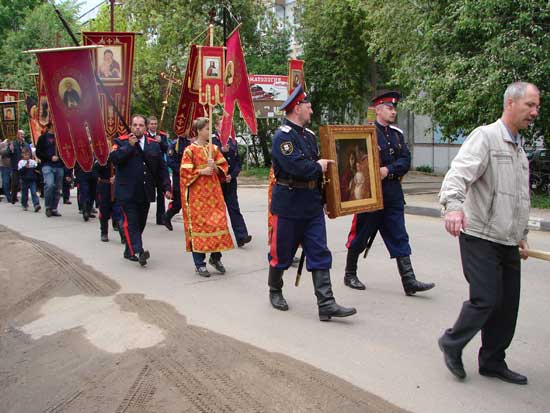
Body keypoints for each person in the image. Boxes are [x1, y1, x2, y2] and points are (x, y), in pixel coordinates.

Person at [437, 82, 540, 385]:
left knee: (507, 305)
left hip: (507, 238)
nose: (534, 112)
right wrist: (454, 206)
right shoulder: (486, 137)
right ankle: (451, 342)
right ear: (511, 103)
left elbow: (519, 197)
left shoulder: (518, 147)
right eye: (530, 105)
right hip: (480, 234)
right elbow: (459, 173)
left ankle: (493, 361)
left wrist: (521, 234)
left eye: (537, 106)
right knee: (486, 298)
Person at [268, 84, 356, 322]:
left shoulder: (309, 136)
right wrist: (318, 166)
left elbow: (321, 175)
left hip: (311, 204)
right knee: (281, 254)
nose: (312, 110)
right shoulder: (282, 137)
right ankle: (275, 290)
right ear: (297, 108)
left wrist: (328, 199)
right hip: (288, 204)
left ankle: (326, 304)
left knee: (319, 251)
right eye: (308, 106)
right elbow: (296, 167)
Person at [342, 91, 435, 294]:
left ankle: (409, 281)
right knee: (361, 234)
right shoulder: (365, 133)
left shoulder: (397, 134)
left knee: (399, 235)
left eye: (394, 108)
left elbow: (405, 161)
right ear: (378, 109)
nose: (393, 111)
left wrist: (388, 170)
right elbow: (356, 163)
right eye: (389, 108)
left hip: (392, 191)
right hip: (371, 193)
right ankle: (350, 274)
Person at [110, 114, 171, 266]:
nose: (138, 127)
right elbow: (114, 159)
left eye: (141, 125)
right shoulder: (121, 141)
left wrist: (167, 187)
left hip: (145, 191)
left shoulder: (153, 144)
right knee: (131, 222)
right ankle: (138, 250)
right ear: (130, 126)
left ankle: (129, 249)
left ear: (145, 127)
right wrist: (129, 147)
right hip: (126, 192)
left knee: (141, 223)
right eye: (135, 125)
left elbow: (161, 168)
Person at [180, 117, 234, 276]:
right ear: (198, 131)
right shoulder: (189, 150)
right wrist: (201, 171)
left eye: (210, 129)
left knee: (218, 223)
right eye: (206, 129)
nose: (208, 132)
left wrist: (215, 168)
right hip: (197, 196)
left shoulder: (214, 149)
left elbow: (224, 167)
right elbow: (184, 173)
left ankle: (216, 258)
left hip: (214, 194)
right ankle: (199, 263)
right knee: (200, 227)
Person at [211, 115, 252, 247]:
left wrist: (232, 175)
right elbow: (209, 159)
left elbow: (238, 162)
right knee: (217, 211)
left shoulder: (232, 141)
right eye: (223, 125)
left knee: (234, 208)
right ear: (217, 126)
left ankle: (241, 236)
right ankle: (217, 237)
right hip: (217, 182)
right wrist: (221, 151)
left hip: (230, 181)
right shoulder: (212, 141)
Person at [161, 134, 192, 231]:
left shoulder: (193, 142)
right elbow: (170, 161)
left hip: (192, 177)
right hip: (179, 177)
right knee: (179, 202)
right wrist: (182, 170)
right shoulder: (175, 144)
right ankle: (167, 216)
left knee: (191, 201)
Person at [35, 123, 64, 217]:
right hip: (47, 165)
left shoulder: (61, 138)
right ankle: (48, 207)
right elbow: (38, 152)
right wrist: (49, 157)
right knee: (49, 184)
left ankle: (54, 208)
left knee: (57, 188)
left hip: (59, 166)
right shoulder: (42, 138)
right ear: (50, 127)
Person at [146, 116, 169, 225]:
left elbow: (167, 149)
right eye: (151, 124)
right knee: (147, 192)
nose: (153, 126)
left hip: (159, 166)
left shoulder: (162, 136)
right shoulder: (145, 135)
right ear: (148, 125)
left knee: (161, 193)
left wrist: (160, 142)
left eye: (155, 124)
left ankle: (160, 218)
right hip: (149, 167)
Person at [94, 159, 123, 243]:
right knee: (104, 212)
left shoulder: (119, 158)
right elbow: (94, 172)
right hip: (104, 188)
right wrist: (99, 178)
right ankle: (104, 233)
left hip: (117, 188)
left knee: (119, 212)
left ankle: (123, 234)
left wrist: (116, 176)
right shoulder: (100, 160)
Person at [6, 130, 30, 204]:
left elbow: (30, 154)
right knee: (15, 183)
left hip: (24, 167)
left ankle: (24, 199)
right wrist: (10, 150)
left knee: (25, 183)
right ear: (17, 135)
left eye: (23, 134)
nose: (22, 136)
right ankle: (14, 197)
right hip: (15, 166)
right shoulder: (12, 143)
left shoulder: (26, 144)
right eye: (21, 134)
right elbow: (7, 154)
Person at [17, 147, 41, 212]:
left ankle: (36, 204)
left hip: (32, 180)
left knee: (33, 192)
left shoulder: (32, 162)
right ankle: (24, 204)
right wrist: (25, 167)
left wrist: (38, 163)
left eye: (28, 155)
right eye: (25, 155)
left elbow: (37, 168)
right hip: (24, 180)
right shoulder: (21, 162)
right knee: (24, 193)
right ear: (22, 155)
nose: (27, 156)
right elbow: (20, 172)